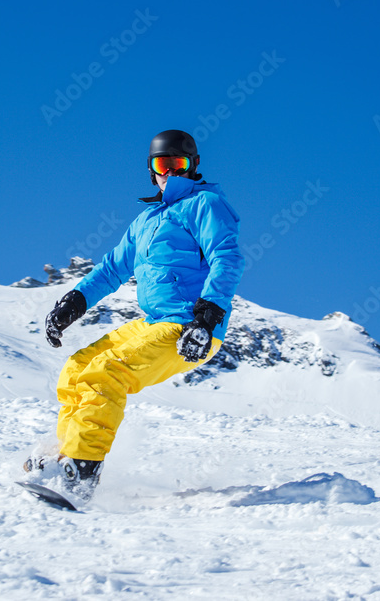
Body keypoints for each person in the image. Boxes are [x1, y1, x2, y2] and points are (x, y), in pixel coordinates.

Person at [23, 129, 244, 501]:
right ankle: (66, 455)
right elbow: (111, 269)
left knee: (107, 372)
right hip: (155, 322)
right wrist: (73, 303)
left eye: (179, 164)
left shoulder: (205, 203)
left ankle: (82, 470)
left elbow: (227, 257)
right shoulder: (146, 221)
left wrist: (205, 319)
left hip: (190, 325)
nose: (170, 173)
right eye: (163, 165)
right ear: (151, 170)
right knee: (79, 367)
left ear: (193, 167)